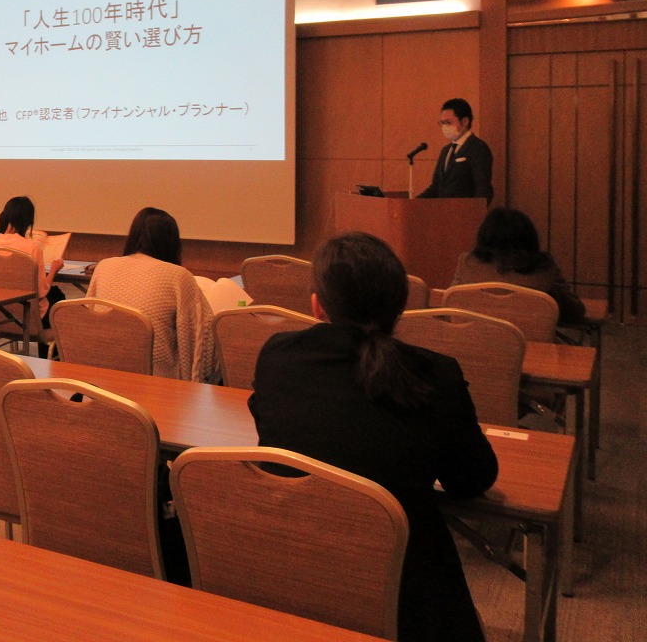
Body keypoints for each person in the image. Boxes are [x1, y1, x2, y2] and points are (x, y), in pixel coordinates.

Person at [248, 232, 498, 642]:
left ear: (317, 305)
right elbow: (472, 479)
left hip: (290, 565)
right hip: (401, 594)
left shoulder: (277, 356)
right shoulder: (436, 375)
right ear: (401, 307)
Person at [87, 207, 212, 381]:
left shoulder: (103, 267)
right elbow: (202, 337)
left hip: (100, 378)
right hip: (155, 382)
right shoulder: (178, 276)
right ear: (172, 242)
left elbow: (86, 318)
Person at [453, 207, 586, 329]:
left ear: (483, 237)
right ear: (530, 238)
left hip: (473, 340)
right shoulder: (544, 267)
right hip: (531, 344)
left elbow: (452, 302)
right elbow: (575, 310)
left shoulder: (467, 262)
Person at [0, 196, 63, 319]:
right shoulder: (32, 249)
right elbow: (40, 292)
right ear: (28, 223)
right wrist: (54, 270)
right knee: (58, 296)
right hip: (27, 317)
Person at [416, 97, 493, 203]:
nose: (445, 127)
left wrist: (475, 209)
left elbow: (483, 187)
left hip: (464, 210)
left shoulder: (478, 148)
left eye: (448, 122)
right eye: (442, 123)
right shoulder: (446, 151)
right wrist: (413, 203)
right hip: (444, 210)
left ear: (465, 121)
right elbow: (436, 187)